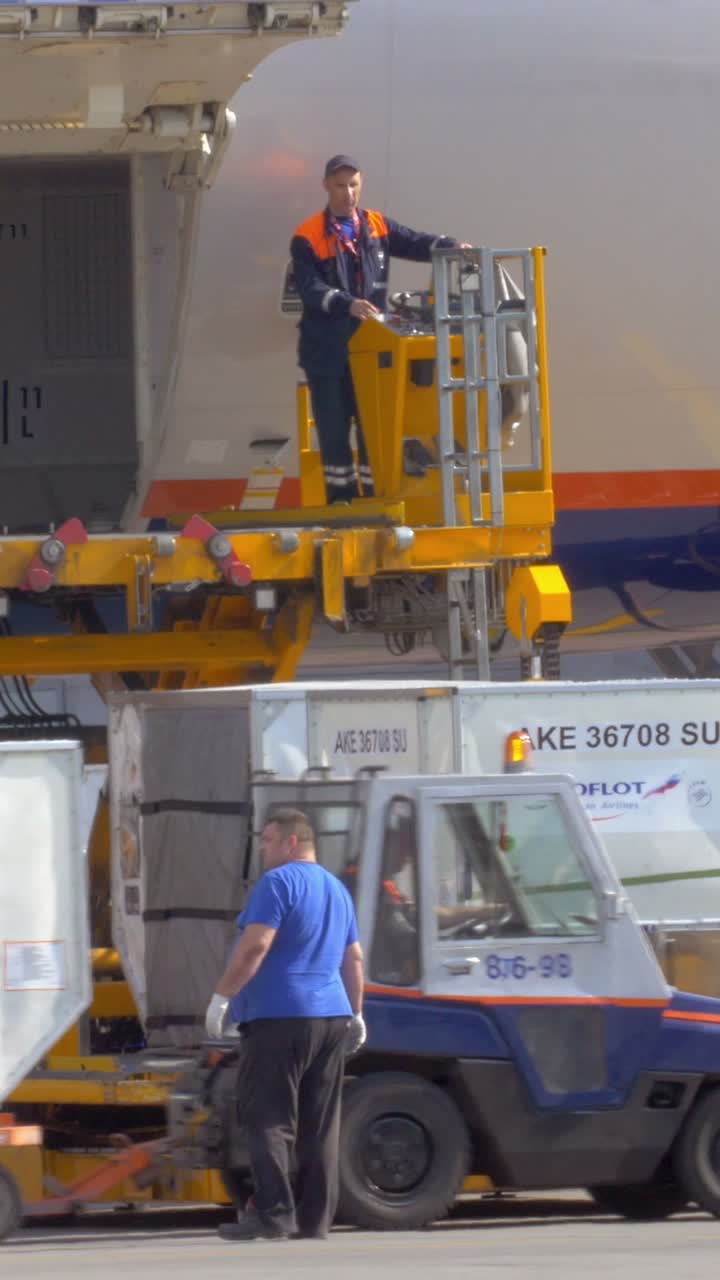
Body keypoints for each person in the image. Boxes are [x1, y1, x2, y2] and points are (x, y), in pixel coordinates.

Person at [205, 808, 365, 1242]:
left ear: (292, 842)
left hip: (279, 1016)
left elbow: (256, 945)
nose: (263, 847)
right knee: (320, 1123)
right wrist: (357, 1012)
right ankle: (314, 1221)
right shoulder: (337, 889)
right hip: (331, 1018)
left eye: (269, 840)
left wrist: (223, 996)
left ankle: (274, 1215)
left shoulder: (277, 883)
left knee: (269, 1119)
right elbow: (353, 958)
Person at [290, 155, 471, 503]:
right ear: (326, 185)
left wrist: (450, 246)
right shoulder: (308, 237)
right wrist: (348, 303)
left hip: (371, 349)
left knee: (373, 427)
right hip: (327, 351)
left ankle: (375, 497)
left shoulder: (375, 226)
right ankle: (341, 501)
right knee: (334, 431)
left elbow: (414, 241)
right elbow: (310, 289)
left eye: (353, 185)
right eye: (341, 186)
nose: (348, 194)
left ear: (362, 185)